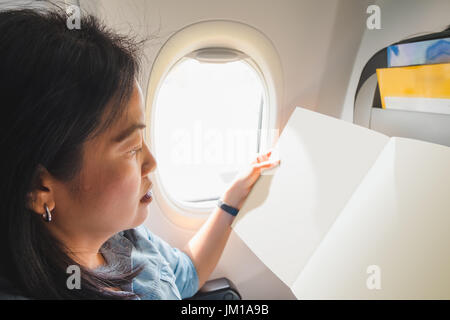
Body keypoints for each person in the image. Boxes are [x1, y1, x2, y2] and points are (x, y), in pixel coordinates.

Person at [0, 6, 280, 299]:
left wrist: (232, 199)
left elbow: (187, 272)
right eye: (132, 147)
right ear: (40, 188)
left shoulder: (124, 239)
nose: (152, 162)